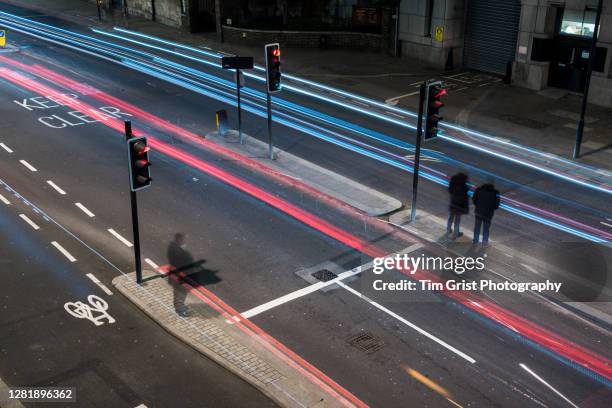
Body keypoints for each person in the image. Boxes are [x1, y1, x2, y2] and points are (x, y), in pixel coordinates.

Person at [167, 233, 194, 315]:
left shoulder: (172, 246)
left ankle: (179, 306)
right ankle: (180, 310)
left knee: (178, 293)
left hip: (176, 275)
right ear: (179, 240)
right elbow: (184, 263)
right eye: (182, 239)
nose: (184, 241)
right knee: (181, 293)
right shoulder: (178, 251)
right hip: (180, 277)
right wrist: (184, 252)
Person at [447, 173, 469, 239]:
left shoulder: (453, 183)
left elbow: (450, 190)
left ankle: (448, 229)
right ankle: (456, 233)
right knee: (457, 219)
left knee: (451, 217)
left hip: (453, 202)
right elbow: (465, 197)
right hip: (460, 205)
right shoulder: (464, 186)